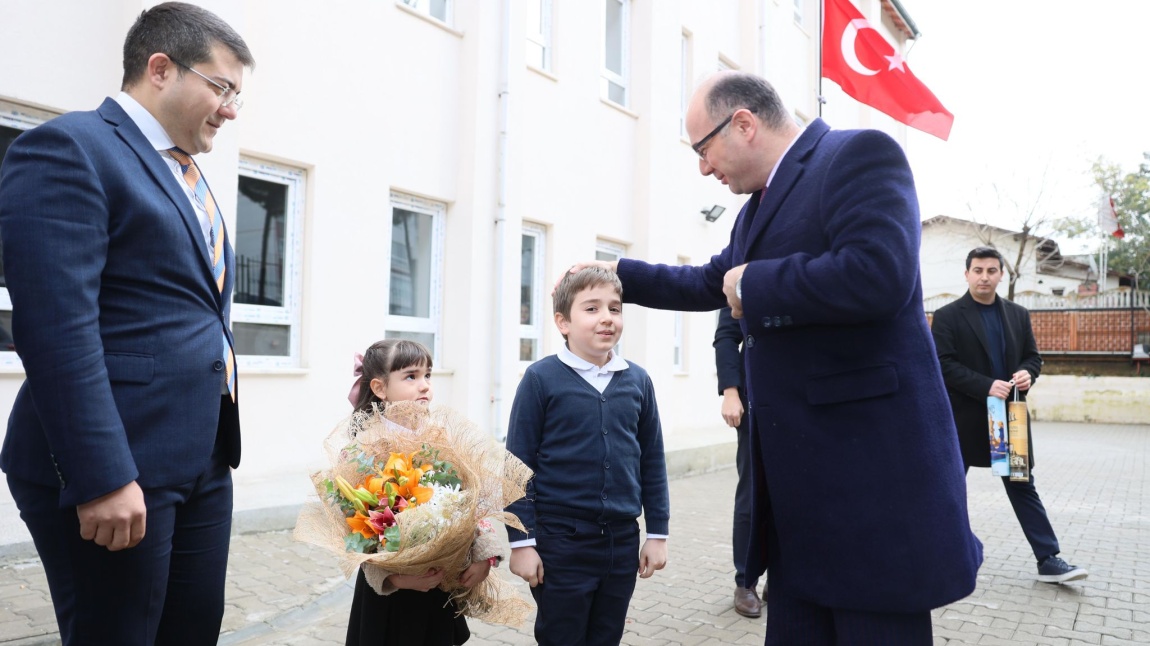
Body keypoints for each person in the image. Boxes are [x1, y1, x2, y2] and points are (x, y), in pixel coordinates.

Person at [574, 71, 982, 645]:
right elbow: (711, 282)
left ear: (743, 123)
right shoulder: (756, 208)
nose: (703, 168)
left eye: (702, 149)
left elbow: (879, 273)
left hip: (868, 495)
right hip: (801, 503)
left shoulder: (857, 155)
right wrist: (620, 274)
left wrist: (758, 285)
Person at [0, 4, 253, 644]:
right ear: (160, 68)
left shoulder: (189, 172)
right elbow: (58, 329)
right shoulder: (69, 148)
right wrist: (102, 474)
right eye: (222, 88)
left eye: (236, 96)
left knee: (193, 630)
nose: (230, 109)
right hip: (115, 469)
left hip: (200, 459)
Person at [505, 267, 670, 646]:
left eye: (615, 308)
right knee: (563, 636)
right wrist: (521, 542)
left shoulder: (638, 380)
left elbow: (653, 460)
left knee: (605, 636)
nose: (607, 318)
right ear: (563, 321)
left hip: (621, 541)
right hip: (561, 541)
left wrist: (657, 533)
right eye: (592, 309)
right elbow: (516, 466)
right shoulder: (541, 379)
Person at [930, 246, 1088, 584]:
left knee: (1021, 485)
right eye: (977, 270)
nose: (984, 277)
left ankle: (1049, 560)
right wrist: (986, 385)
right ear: (967, 274)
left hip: (1009, 419)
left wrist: (1028, 374)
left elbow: (1033, 358)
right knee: (948, 488)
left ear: (1002, 274)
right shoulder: (947, 316)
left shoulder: (1017, 314)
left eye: (990, 270)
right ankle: (931, 558)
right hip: (964, 419)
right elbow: (941, 366)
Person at [343, 339, 503, 646]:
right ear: (379, 387)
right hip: (388, 601)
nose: (424, 386)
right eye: (411, 376)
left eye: (428, 375)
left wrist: (485, 556)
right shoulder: (363, 450)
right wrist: (397, 579)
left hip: (437, 589)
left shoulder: (443, 438)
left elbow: (471, 503)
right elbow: (355, 539)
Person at [714, 306, 766, 618]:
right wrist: (730, 391)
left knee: (797, 492)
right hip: (754, 400)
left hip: (802, 399)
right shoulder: (741, 264)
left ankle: (783, 578)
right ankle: (745, 581)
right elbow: (726, 336)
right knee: (752, 491)